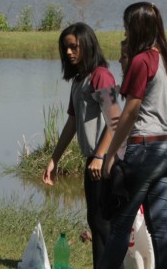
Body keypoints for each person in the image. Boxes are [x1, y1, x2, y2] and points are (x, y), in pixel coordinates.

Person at [100, 2, 167, 269]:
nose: (125, 32)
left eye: (127, 26)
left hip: (145, 150)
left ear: (136, 28)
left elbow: (131, 110)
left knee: (120, 224)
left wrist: (110, 153)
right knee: (159, 224)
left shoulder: (141, 61)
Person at [42, 22, 119, 269]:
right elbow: (72, 122)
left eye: (74, 47)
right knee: (95, 219)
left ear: (87, 45)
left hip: (107, 161)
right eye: (65, 48)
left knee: (103, 221)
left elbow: (114, 122)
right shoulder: (79, 79)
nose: (69, 53)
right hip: (93, 160)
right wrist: (55, 158)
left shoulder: (101, 76)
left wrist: (100, 156)